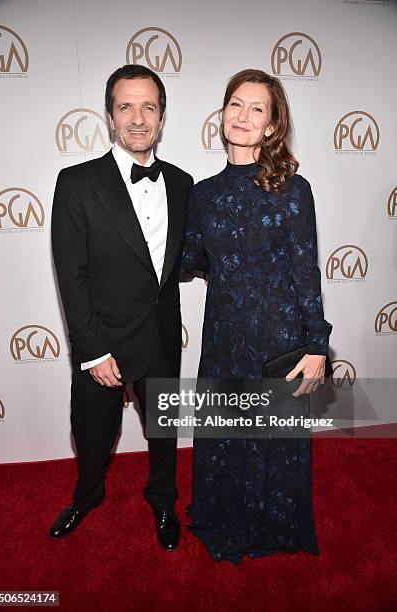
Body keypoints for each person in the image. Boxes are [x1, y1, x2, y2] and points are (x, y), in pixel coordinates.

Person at [181, 69, 332, 563]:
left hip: (279, 338)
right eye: (235, 105)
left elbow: (305, 270)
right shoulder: (202, 194)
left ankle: (272, 527)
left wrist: (316, 345)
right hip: (224, 335)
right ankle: (226, 517)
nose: (242, 116)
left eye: (257, 109)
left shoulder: (292, 188)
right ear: (222, 113)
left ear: (272, 126)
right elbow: (189, 261)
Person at [50, 64, 193, 551]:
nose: (137, 118)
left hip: (160, 335)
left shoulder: (182, 182)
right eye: (126, 107)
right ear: (110, 117)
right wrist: (91, 351)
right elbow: (72, 275)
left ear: (161, 116)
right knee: (92, 435)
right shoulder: (76, 182)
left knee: (164, 433)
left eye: (148, 107)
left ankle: (162, 499)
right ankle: (85, 498)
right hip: (102, 340)